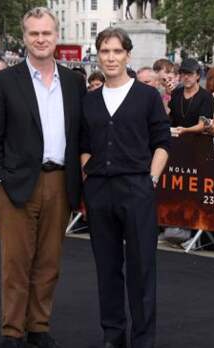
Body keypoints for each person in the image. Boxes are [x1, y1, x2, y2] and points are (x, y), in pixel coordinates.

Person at [0, 7, 86, 348]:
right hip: (17, 184)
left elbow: (81, 133)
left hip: (61, 182)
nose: (40, 39)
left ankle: (39, 327)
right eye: (34, 33)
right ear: (24, 38)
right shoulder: (3, 82)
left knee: (49, 262)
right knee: (15, 263)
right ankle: (12, 331)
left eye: (47, 33)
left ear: (56, 36)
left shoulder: (74, 82)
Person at [80, 27, 170, 348]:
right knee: (107, 268)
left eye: (117, 51)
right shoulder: (89, 101)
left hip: (137, 189)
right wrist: (88, 176)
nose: (111, 57)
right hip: (100, 193)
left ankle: (143, 339)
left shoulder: (147, 97)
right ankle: (113, 336)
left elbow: (162, 142)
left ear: (127, 55)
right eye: (105, 51)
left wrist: (151, 179)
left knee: (142, 267)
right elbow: (84, 144)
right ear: (98, 55)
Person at [168, 58, 214, 136]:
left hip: (198, 142)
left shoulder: (206, 96)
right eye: (183, 73)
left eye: (190, 74)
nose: (186, 77)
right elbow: (168, 116)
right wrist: (166, 96)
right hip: (175, 139)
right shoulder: (175, 93)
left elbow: (202, 125)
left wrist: (185, 130)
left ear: (198, 76)